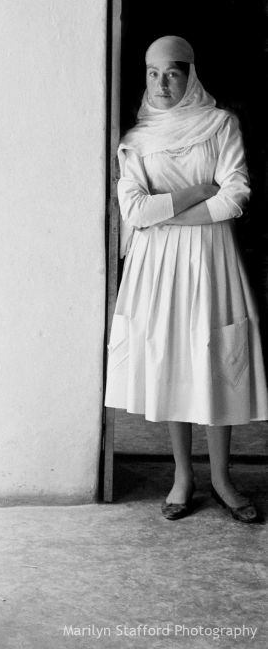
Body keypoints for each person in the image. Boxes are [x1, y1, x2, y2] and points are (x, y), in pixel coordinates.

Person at [105, 35, 268, 522]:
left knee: (216, 360)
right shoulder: (136, 141)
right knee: (171, 359)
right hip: (156, 268)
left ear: (190, 75)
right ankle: (183, 475)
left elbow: (235, 197)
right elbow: (132, 207)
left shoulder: (220, 126)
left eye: (172, 73)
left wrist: (165, 214)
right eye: (153, 73)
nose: (162, 83)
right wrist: (199, 189)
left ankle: (222, 476)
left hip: (211, 258)